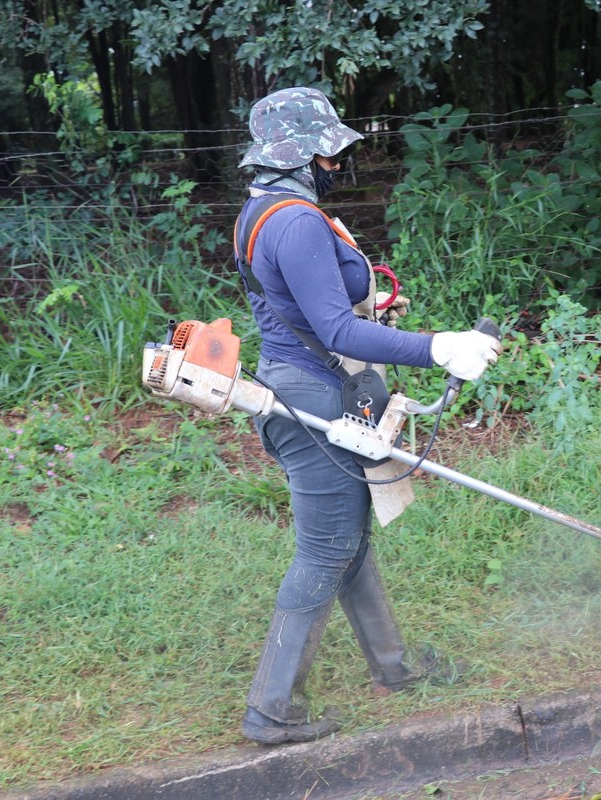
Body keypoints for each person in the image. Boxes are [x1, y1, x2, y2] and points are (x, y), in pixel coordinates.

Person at [232, 87, 501, 745]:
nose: (336, 162)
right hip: (314, 398)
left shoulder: (261, 211)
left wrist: (374, 315)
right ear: (302, 153)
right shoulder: (294, 221)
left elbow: (307, 312)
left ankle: (394, 669)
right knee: (327, 547)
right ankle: (271, 709)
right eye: (328, 151)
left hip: (315, 385)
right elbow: (334, 329)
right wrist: (440, 347)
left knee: (349, 537)